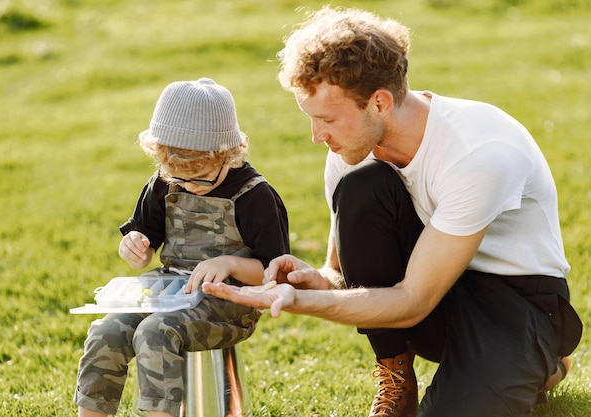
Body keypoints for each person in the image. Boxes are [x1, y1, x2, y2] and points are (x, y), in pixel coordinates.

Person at [202, 6, 583, 417]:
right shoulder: (352, 151)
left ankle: (540, 358)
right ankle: (396, 373)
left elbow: (413, 300)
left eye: (327, 118)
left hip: (517, 303)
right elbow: (343, 275)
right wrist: (315, 281)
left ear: (380, 102)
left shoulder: (478, 154)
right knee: (364, 185)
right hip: (436, 290)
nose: (317, 136)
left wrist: (298, 303)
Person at [74, 78, 290, 417]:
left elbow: (275, 273)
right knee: (106, 332)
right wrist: (134, 247)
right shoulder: (165, 182)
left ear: (227, 153)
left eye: (199, 176)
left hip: (231, 305)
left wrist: (231, 264)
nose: (189, 185)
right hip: (170, 292)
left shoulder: (254, 196)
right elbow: (144, 242)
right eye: (178, 178)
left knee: (155, 332)